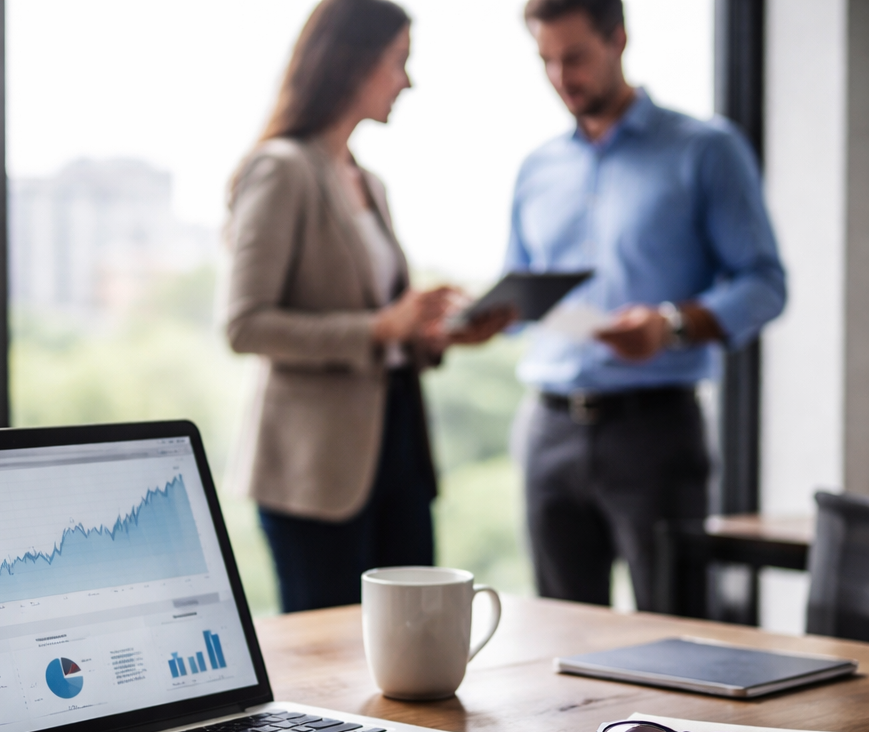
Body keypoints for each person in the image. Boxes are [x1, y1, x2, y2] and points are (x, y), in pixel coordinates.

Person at [506, 0, 786, 610]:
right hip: (547, 430)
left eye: (574, 57)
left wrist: (672, 325)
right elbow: (521, 294)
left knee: (675, 636)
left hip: (653, 432)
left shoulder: (705, 149)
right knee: (560, 638)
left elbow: (764, 283)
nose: (561, 77)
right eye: (546, 61)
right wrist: (481, 320)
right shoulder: (537, 169)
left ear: (618, 40)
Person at [225, 0, 504, 613]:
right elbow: (245, 325)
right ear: (350, 62)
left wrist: (436, 334)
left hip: (398, 447)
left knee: (417, 643)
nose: (407, 81)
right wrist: (382, 326)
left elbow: (388, 331)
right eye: (397, 61)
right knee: (331, 655)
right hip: (317, 471)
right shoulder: (282, 170)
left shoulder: (367, 181)